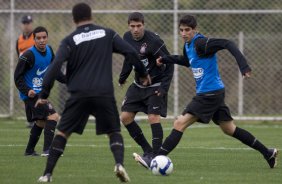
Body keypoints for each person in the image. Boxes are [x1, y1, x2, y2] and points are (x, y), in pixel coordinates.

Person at [136, 14, 278, 169]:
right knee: (229, 129)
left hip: (209, 94)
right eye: (181, 30)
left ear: (195, 30)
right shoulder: (188, 45)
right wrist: (165, 59)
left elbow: (227, 43)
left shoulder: (202, 43)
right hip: (214, 93)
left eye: (187, 30)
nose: (184, 33)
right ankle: (267, 152)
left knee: (179, 123)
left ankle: (155, 159)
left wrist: (243, 66)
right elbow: (186, 61)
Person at [36, 3, 150, 183]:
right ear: (91, 16)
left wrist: (43, 94)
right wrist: (143, 73)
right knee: (113, 131)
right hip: (103, 92)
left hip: (78, 94)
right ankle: (119, 164)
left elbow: (54, 67)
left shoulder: (69, 40)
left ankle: (47, 174)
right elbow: (130, 52)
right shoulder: (107, 33)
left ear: (74, 20)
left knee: (63, 133)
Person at [119, 12, 174, 168]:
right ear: (129, 26)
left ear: (143, 25)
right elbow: (129, 58)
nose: (135, 29)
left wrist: (164, 87)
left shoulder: (154, 41)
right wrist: (123, 77)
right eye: (132, 26)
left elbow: (169, 63)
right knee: (125, 117)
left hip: (156, 86)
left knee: (153, 118)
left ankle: (156, 158)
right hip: (138, 86)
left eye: (138, 26)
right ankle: (147, 150)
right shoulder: (127, 38)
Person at [14, 26, 66, 157]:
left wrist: (68, 80)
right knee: (53, 116)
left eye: (44, 37)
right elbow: (17, 77)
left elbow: (55, 71)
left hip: (40, 93)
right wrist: (27, 90)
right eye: (38, 38)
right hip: (31, 94)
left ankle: (29, 151)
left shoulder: (49, 51)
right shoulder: (28, 55)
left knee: (42, 122)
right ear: (34, 39)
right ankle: (48, 151)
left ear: (47, 38)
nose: (42, 40)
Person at [16, 15, 36, 128]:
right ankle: (31, 119)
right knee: (26, 95)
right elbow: (18, 56)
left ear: (31, 24)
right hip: (24, 72)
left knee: (36, 93)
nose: (26, 25)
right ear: (21, 24)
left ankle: (36, 118)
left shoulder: (36, 38)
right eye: (24, 23)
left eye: (28, 23)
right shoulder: (19, 40)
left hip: (35, 71)